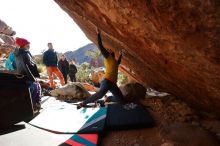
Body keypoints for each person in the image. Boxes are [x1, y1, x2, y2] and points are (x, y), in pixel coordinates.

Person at [77, 28, 123, 109]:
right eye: (108, 50)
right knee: (100, 94)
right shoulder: (108, 58)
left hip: (113, 84)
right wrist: (98, 34)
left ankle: (108, 98)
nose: (109, 49)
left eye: (110, 49)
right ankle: (83, 103)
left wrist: (121, 54)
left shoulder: (115, 62)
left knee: (122, 100)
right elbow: (101, 47)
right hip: (107, 81)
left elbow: (118, 62)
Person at [14, 37, 41, 111]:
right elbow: (26, 68)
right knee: (35, 87)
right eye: (27, 44)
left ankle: (33, 105)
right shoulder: (24, 54)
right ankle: (32, 106)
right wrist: (33, 78)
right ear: (23, 45)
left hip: (24, 76)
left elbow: (16, 65)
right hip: (27, 77)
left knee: (36, 87)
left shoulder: (22, 53)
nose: (29, 46)